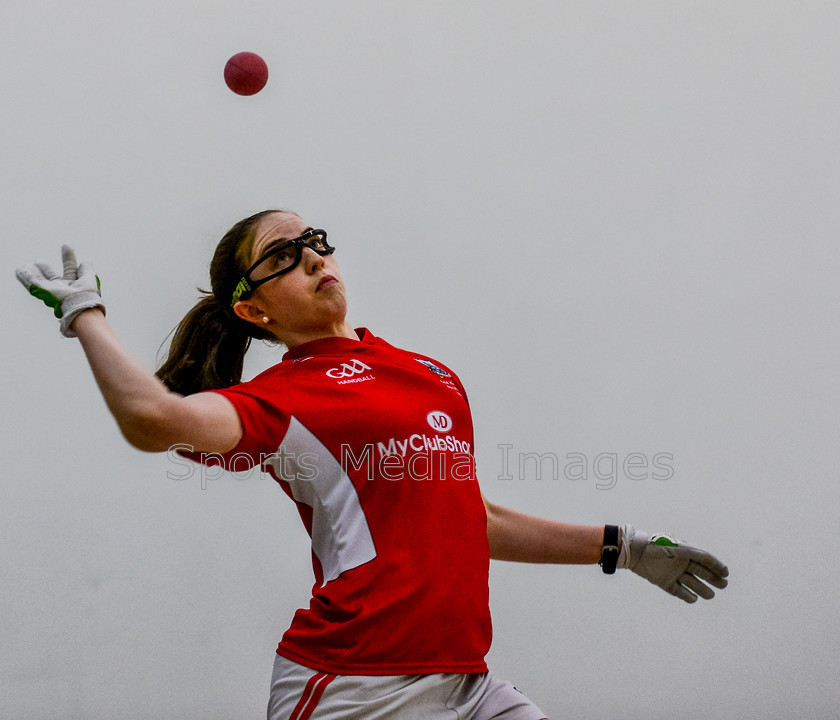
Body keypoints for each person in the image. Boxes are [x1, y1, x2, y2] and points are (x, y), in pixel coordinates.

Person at [16, 209, 729, 720]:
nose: (314, 258)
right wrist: (85, 313)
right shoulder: (277, 399)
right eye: (283, 256)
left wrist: (624, 548)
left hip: (467, 686)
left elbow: (470, 521)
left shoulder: (431, 374)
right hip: (353, 687)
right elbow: (152, 419)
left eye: (314, 242)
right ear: (253, 309)